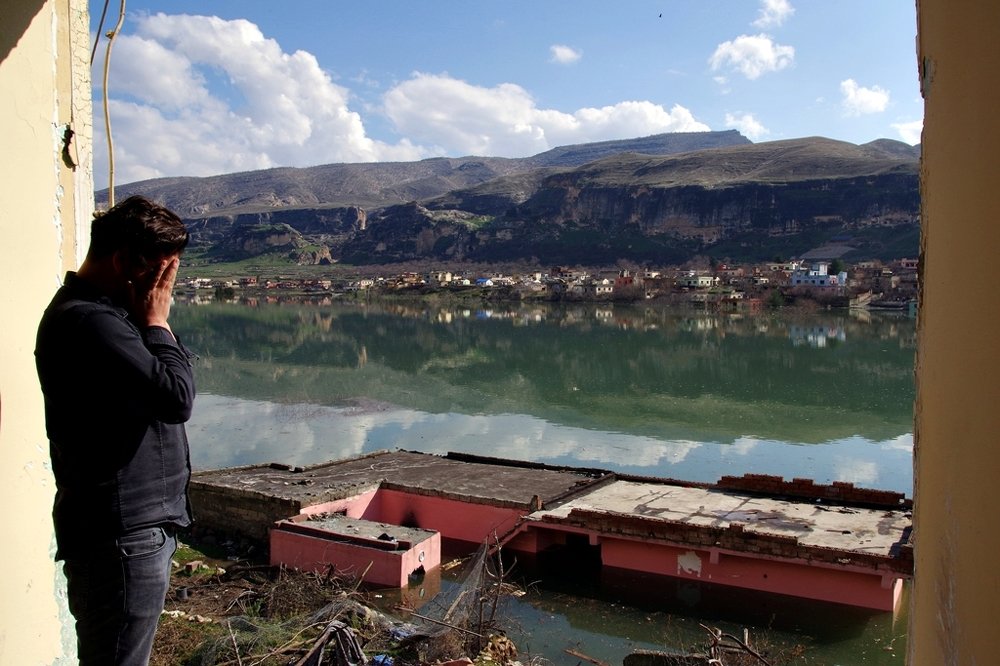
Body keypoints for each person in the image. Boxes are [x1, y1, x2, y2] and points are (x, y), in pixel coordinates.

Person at [35, 195, 195, 665]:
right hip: (122, 537)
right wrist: (157, 322)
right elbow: (176, 396)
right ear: (124, 259)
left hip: (130, 533)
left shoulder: (109, 318)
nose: (164, 288)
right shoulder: (90, 322)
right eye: (161, 274)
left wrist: (152, 326)